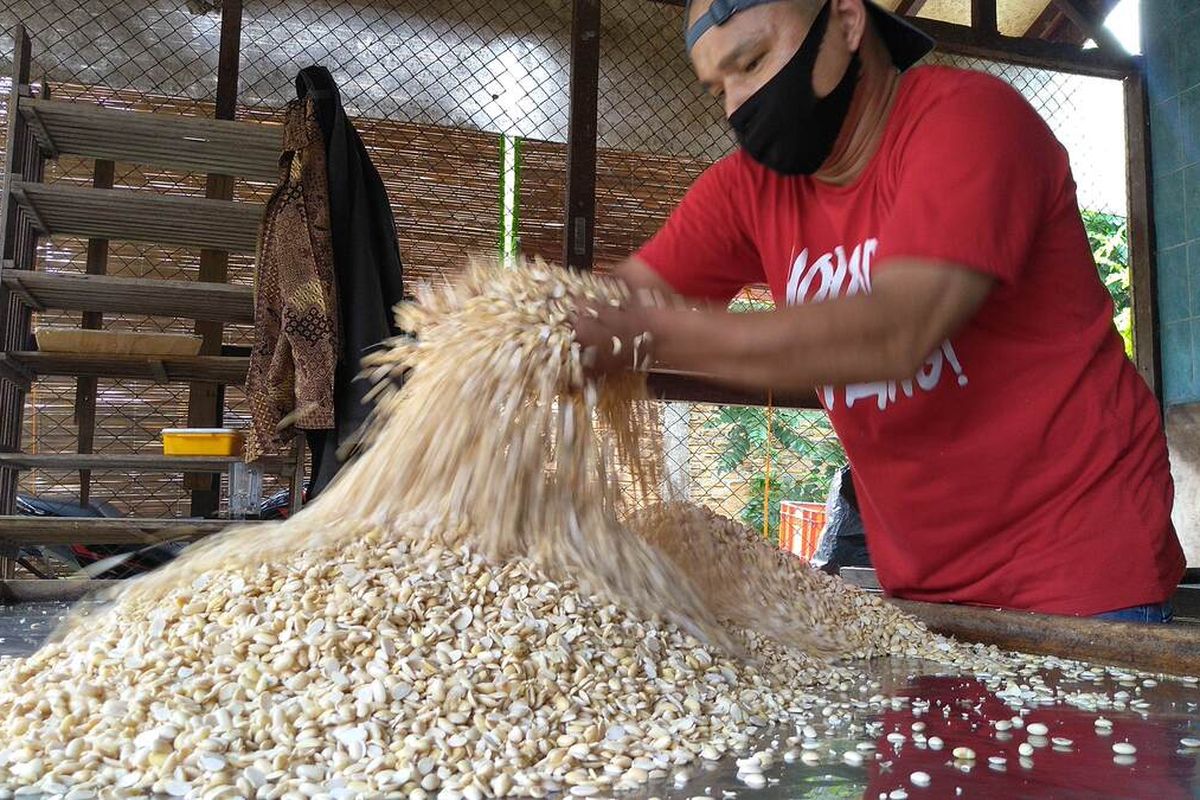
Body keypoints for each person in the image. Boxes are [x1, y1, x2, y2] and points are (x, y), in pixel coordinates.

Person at [573, 0, 1185, 621]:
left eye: (752, 62)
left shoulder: (970, 120)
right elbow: (622, 303)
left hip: (1080, 571)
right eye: (719, 87)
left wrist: (648, 333)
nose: (737, 105)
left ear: (845, 20)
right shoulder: (749, 189)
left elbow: (897, 329)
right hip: (922, 587)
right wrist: (542, 329)